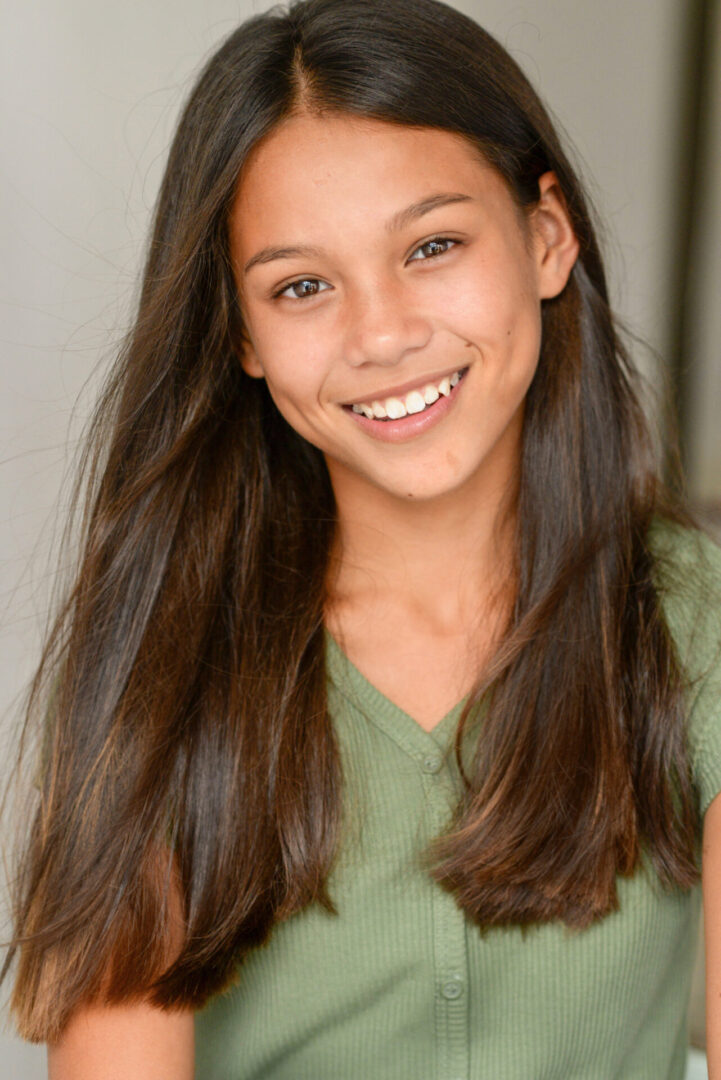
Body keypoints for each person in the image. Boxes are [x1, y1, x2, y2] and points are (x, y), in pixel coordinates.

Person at [3, 0, 721, 1076]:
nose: (381, 334)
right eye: (302, 287)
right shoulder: (164, 656)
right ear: (241, 335)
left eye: (432, 245)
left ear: (545, 237)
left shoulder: (695, 622)